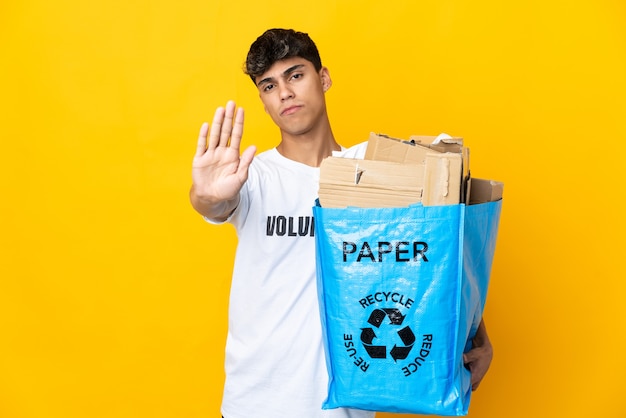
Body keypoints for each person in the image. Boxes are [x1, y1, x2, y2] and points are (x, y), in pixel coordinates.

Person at [189, 28, 493, 418]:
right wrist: (209, 195)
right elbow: (213, 203)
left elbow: (437, 240)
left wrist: (477, 333)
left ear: (324, 78)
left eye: (295, 75)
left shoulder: (372, 169)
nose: (284, 92)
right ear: (263, 101)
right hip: (256, 401)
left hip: (346, 404)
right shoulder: (253, 175)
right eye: (269, 85)